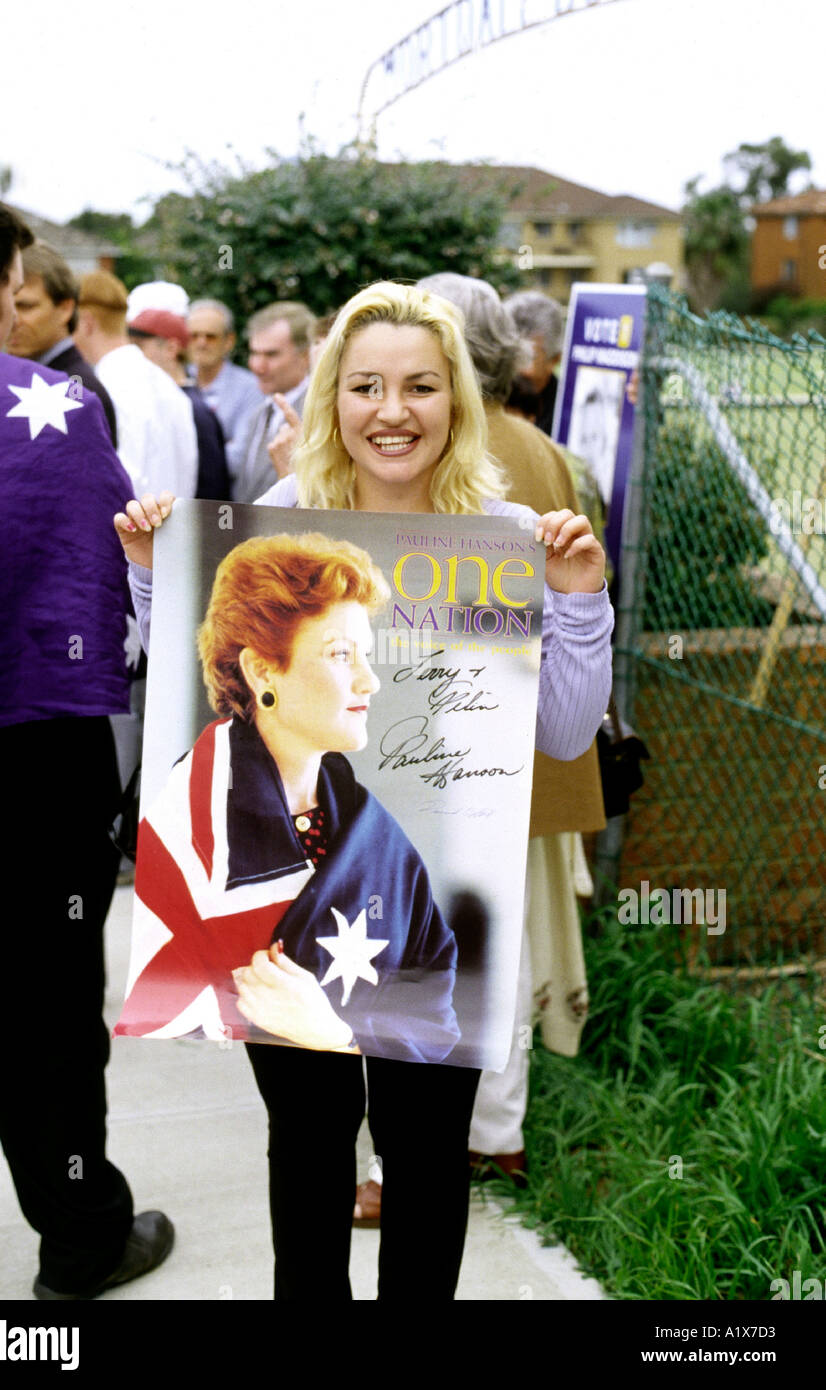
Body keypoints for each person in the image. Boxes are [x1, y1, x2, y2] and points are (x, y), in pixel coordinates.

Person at [114, 280, 613, 1301]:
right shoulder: (273, 525)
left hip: (429, 912)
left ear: (456, 402)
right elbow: (194, 702)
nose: (393, 410)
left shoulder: (509, 535)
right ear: (333, 396)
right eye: (369, 385)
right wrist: (154, 575)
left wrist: (581, 601)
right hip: (287, 912)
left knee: (430, 1159)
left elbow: (562, 731)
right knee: (306, 1148)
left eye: (421, 386)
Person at [0, 181, 173, 1300]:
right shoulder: (54, 409)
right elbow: (119, 607)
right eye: (15, 294)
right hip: (25, 754)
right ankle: (79, 1238)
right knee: (40, 1023)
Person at [115, 533, 459, 1063]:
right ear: (262, 670)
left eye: (365, 656)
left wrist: (336, 1034)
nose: (370, 681)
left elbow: (438, 1019)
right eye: (341, 654)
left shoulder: (379, 839)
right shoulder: (197, 816)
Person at [419, 273, 606, 1184]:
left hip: (456, 735)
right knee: (511, 938)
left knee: (445, 941)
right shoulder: (540, 444)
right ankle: (499, 1137)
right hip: (536, 734)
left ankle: (410, 1155)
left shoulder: (438, 452)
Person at [74, 269, 198, 499]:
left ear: (86, 323)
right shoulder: (166, 384)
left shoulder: (105, 389)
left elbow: (123, 484)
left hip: (133, 531)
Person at [7, 240, 118, 445]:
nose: (13, 318)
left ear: (65, 309)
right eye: (8, 305)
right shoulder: (32, 376)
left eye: (26, 306)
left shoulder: (77, 387)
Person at [128, 308, 230, 500]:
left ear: (171, 349)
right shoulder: (154, 401)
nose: (132, 357)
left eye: (139, 347)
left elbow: (212, 491)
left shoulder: (194, 410)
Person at [228, 301, 314, 503]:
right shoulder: (258, 414)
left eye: (271, 355)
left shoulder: (321, 414)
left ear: (305, 356)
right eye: (254, 353)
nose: (258, 366)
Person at [186, 298, 261, 454]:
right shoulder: (177, 382)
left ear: (229, 341)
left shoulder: (250, 388)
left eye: (210, 336)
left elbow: (240, 455)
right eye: (194, 336)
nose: (201, 343)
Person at [504, 289, 565, 435]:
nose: (513, 367)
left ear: (554, 360)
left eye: (525, 357)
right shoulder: (481, 400)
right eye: (507, 353)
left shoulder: (566, 416)